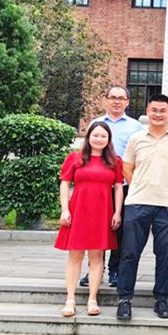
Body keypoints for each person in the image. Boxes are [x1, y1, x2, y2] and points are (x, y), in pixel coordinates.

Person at [116, 94, 168, 321]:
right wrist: (140, 185)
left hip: (167, 204)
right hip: (137, 202)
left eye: (162, 110)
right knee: (130, 252)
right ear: (148, 112)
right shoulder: (136, 138)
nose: (158, 114)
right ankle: (124, 299)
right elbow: (127, 168)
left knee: (166, 254)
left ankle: (162, 298)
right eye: (154, 110)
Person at [55, 122, 123, 318]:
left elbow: (118, 187)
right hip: (78, 210)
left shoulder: (115, 161)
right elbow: (65, 183)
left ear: (108, 140)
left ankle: (93, 298)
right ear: (88, 137)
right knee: (75, 255)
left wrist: (117, 212)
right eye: (95, 135)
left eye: (103, 136)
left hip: (102, 212)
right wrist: (65, 209)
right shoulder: (75, 158)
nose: (99, 139)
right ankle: (70, 299)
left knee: (97, 256)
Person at [80, 85, 143, 288]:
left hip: (123, 185)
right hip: (97, 186)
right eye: (113, 97)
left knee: (120, 229)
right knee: (95, 227)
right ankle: (94, 269)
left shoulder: (136, 127)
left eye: (121, 98)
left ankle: (115, 270)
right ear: (106, 100)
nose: (117, 101)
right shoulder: (96, 124)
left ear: (127, 102)